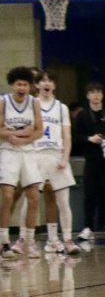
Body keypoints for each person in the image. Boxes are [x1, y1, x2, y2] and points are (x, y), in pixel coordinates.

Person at [71, 82, 105, 243]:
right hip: (91, 160)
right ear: (87, 95)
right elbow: (75, 137)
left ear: (102, 95)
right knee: (90, 194)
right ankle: (88, 227)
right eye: (92, 92)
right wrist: (90, 139)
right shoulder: (82, 116)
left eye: (98, 92)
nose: (96, 95)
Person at [33, 72, 80, 256]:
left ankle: (67, 239)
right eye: (43, 80)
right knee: (31, 201)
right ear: (37, 85)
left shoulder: (61, 108)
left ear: (54, 85)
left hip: (56, 155)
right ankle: (26, 240)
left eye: (50, 81)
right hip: (36, 155)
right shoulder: (31, 105)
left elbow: (67, 135)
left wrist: (65, 157)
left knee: (63, 201)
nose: (47, 83)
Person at [0, 67, 43, 259]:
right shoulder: (3, 102)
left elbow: (39, 130)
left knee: (34, 197)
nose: (22, 88)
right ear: (12, 85)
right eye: (19, 84)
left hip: (28, 151)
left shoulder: (34, 103)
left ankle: (29, 243)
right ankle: (4, 242)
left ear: (29, 86)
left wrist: (24, 139)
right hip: (8, 151)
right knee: (8, 196)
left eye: (25, 84)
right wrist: (16, 133)